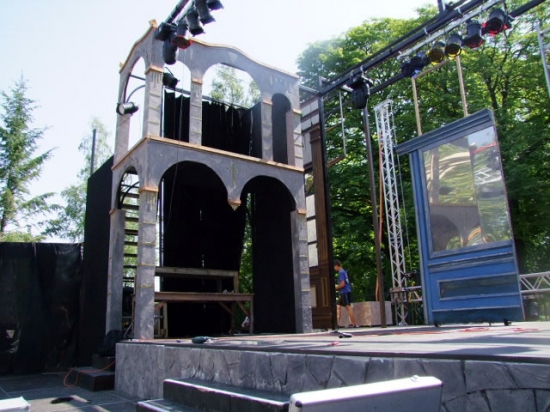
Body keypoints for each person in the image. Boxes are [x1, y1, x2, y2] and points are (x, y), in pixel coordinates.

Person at [334, 260, 358, 328]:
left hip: (344, 292)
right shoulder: (344, 272)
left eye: (334, 267)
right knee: (338, 306)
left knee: (348, 307)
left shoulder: (341, 272)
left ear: (336, 265)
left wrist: (335, 288)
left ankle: (353, 323)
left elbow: (342, 284)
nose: (334, 268)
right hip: (343, 292)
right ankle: (336, 323)